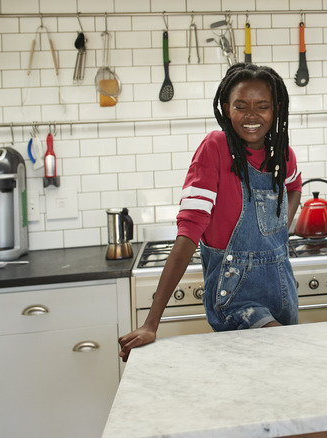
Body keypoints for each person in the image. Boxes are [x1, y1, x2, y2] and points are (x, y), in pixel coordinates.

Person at [119, 63, 302, 361]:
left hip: (282, 290)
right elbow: (189, 231)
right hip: (236, 297)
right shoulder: (215, 147)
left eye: (263, 106)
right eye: (241, 106)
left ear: (277, 109)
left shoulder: (282, 153)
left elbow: (295, 186)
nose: (252, 116)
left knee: (277, 388)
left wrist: (281, 225)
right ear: (226, 107)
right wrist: (151, 324)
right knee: (279, 362)